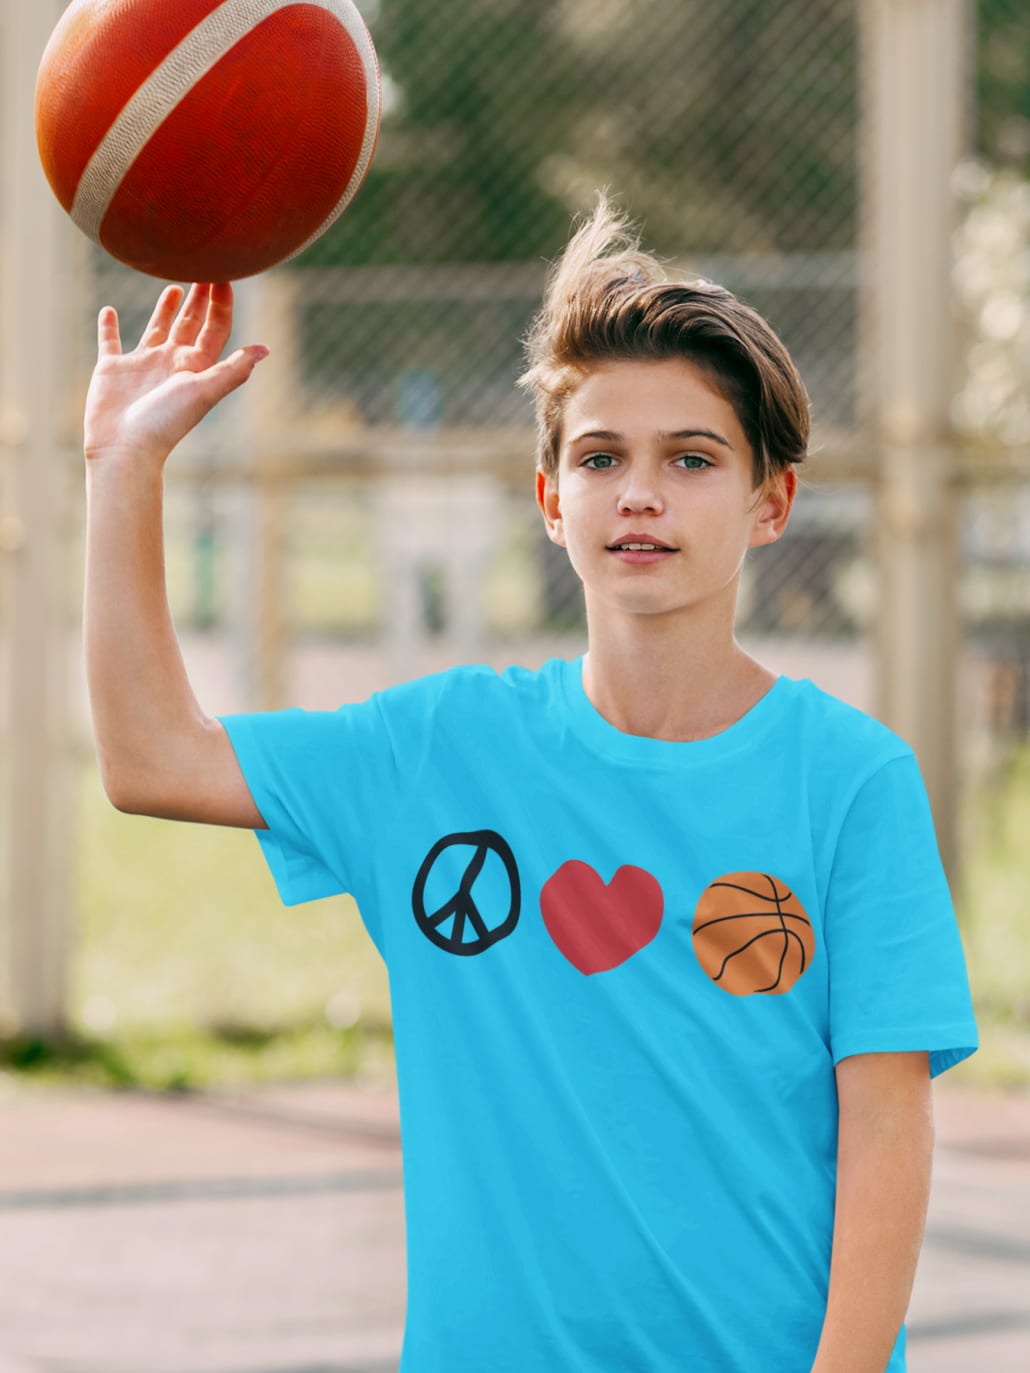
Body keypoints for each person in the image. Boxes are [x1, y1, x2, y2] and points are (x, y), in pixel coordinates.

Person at [83, 197, 978, 1373]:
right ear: (552, 499)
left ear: (772, 501)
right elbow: (152, 756)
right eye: (600, 456)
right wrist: (122, 466)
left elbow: (886, 1125)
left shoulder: (851, 779)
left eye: (691, 458)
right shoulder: (439, 750)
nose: (638, 491)